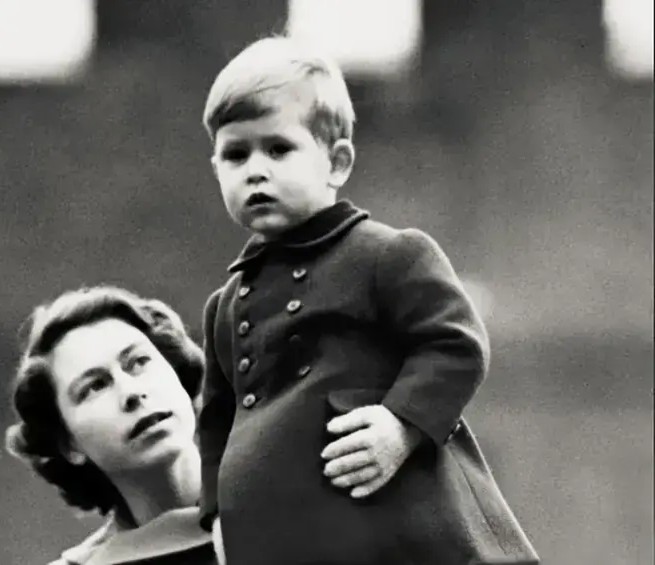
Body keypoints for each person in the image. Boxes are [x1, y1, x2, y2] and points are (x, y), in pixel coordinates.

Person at [196, 36, 540, 565]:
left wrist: (401, 424)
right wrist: (218, 515)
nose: (255, 170)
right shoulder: (225, 306)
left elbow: (455, 344)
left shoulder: (386, 255)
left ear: (336, 163)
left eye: (278, 148)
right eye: (236, 154)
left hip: (394, 536)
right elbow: (215, 423)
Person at [5, 286, 222, 565]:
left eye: (139, 362)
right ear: (68, 443)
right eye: (95, 386)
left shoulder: (280, 504)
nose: (131, 392)